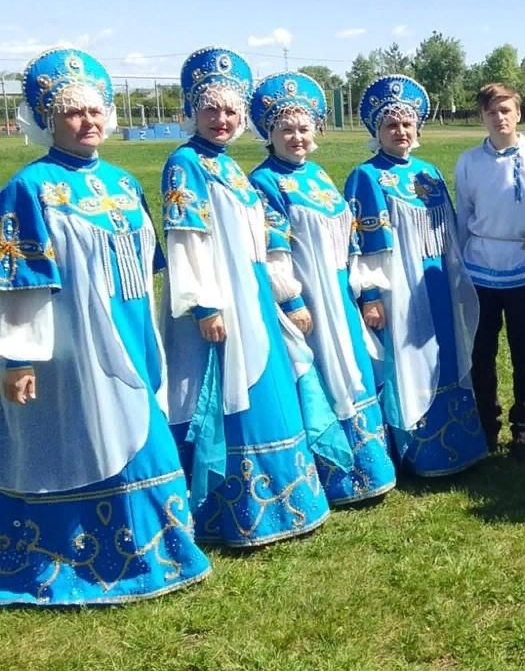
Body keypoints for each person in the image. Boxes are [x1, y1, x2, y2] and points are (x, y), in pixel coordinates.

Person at [0, 48, 211, 605]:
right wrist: (19, 356)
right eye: (72, 113)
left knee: (146, 426)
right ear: (46, 120)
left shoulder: (121, 183)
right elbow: (21, 275)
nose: (87, 122)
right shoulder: (31, 187)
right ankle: (92, 558)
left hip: (133, 326)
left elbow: (149, 264)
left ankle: (163, 549)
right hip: (76, 342)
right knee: (96, 438)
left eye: (95, 111)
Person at [162, 47, 334, 546]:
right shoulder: (186, 164)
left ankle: (283, 501)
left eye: (231, 111)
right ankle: (230, 508)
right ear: (193, 111)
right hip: (220, 302)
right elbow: (186, 238)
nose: (222, 119)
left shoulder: (230, 167)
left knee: (264, 387)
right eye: (211, 110)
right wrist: (205, 304)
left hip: (252, 295)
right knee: (225, 398)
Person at [248, 72, 396, 506]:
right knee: (324, 372)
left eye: (302, 128)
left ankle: (372, 463)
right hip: (309, 296)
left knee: (355, 368)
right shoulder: (266, 183)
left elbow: (349, 240)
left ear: (316, 131)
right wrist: (290, 298)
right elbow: (273, 250)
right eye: (286, 130)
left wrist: (366, 292)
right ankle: (338, 473)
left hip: (339, 294)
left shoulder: (319, 176)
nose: (296, 137)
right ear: (269, 134)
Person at [345, 75, 488, 477]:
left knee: (446, 354)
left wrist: (459, 278)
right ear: (378, 131)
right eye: (392, 125)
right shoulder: (367, 176)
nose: (401, 132)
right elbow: (364, 242)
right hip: (400, 286)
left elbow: (450, 233)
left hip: (438, 281)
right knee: (408, 358)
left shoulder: (428, 173)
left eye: (407, 124)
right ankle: (417, 448)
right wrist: (371, 294)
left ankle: (458, 442)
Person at [454, 83, 525, 462]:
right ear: (482, 116)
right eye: (492, 112)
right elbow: (464, 216)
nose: (500, 118)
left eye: (506, 110)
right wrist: (461, 269)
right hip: (481, 266)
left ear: (519, 113)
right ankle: (486, 422)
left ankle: (523, 428)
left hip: (524, 267)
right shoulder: (468, 162)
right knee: (482, 352)